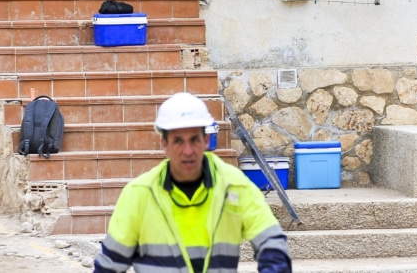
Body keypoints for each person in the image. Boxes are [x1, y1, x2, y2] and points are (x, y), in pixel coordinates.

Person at [94, 92, 291, 273]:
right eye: (178, 141)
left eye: (194, 139)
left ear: (206, 140)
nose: (187, 150)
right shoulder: (139, 194)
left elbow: (272, 243)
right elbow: (109, 266)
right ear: (165, 144)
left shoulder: (235, 187)